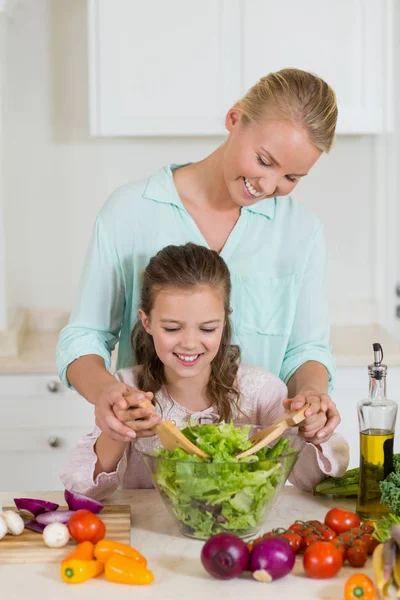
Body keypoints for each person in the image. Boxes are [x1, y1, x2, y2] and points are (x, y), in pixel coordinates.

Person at [57, 67, 341, 444]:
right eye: (264, 161)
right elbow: (85, 336)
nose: (269, 185)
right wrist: (105, 392)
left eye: (292, 177)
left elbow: (306, 349)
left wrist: (313, 394)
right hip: (147, 465)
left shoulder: (301, 232)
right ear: (234, 119)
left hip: (254, 474)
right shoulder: (129, 212)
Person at [60, 244, 349, 498]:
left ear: (225, 321)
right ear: (146, 322)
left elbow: (315, 481)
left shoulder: (263, 392)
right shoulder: (127, 389)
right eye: (172, 328)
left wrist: (311, 429)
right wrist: (119, 431)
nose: (189, 343)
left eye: (208, 328)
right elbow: (83, 490)